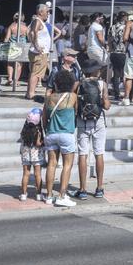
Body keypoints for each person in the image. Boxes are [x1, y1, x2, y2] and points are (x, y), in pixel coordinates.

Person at [74, 59, 111, 200]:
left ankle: (82, 189)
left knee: (83, 154)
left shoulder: (78, 84)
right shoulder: (102, 84)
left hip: (82, 121)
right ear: (95, 70)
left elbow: (74, 104)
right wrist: (102, 100)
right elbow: (107, 106)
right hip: (98, 121)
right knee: (99, 153)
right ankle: (99, 188)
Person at [43, 70, 78, 207]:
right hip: (66, 134)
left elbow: (44, 118)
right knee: (67, 165)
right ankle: (62, 196)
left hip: (51, 134)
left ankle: (49, 195)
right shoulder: (72, 97)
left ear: (56, 83)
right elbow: (76, 111)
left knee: (51, 164)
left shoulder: (49, 98)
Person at [27, 4, 58, 101]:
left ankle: (29, 92)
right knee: (35, 73)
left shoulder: (38, 21)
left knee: (34, 72)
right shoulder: (37, 21)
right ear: (41, 12)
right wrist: (37, 46)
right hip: (39, 52)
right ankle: (31, 93)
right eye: (47, 11)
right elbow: (33, 32)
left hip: (39, 51)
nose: (48, 14)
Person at [18, 107, 46, 202]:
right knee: (38, 174)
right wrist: (43, 142)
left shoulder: (24, 130)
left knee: (26, 174)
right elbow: (38, 144)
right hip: (36, 155)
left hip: (26, 153)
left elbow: (22, 139)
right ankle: (38, 194)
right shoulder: (38, 130)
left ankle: (23, 194)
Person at [3, 13, 27, 90]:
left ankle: (10, 78)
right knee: (19, 64)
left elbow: (7, 38)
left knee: (10, 63)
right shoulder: (25, 27)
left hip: (12, 46)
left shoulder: (12, 26)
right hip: (22, 46)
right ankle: (16, 80)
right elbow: (29, 37)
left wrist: (3, 45)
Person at [107, 11, 128, 100]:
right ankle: (127, 94)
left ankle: (116, 93)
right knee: (125, 74)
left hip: (113, 52)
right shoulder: (125, 27)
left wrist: (111, 49)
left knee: (116, 73)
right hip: (122, 52)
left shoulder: (112, 27)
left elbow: (109, 39)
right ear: (124, 18)